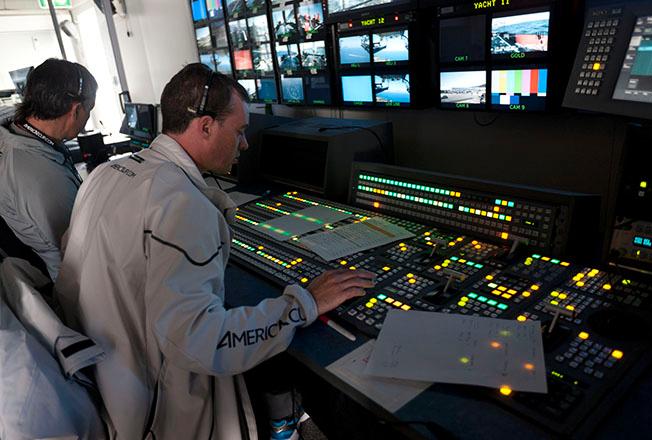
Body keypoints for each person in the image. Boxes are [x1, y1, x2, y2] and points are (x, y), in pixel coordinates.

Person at [55, 63, 374, 439]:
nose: (245, 144)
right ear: (205, 126)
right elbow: (202, 342)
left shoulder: (106, 173)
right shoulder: (181, 204)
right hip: (157, 411)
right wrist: (302, 304)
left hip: (102, 379)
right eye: (239, 131)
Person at [0, 59, 97, 281]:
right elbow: (80, 254)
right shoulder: (41, 180)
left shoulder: (18, 130)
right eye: (89, 109)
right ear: (76, 109)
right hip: (71, 284)